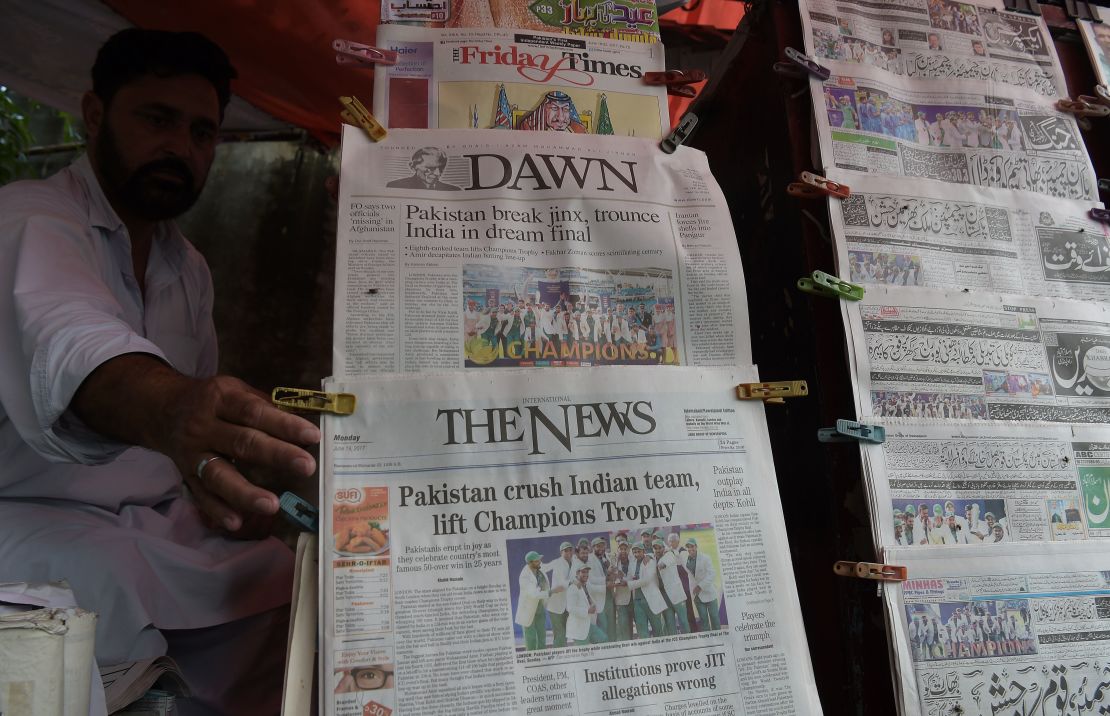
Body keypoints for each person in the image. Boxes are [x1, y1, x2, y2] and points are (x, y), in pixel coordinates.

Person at [0, 29, 321, 714]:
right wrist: (175, 410)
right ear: (93, 114)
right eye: (157, 119)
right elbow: (76, 345)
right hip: (31, 515)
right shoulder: (31, 220)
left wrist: (213, 488)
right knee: (108, 596)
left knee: (287, 581)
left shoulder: (188, 267)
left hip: (153, 520)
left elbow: (190, 435)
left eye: (202, 132)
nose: (181, 147)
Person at [628, 543, 667, 638]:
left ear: (644, 551)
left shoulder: (650, 561)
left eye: (639, 552)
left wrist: (629, 584)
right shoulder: (632, 563)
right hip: (637, 601)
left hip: (651, 599)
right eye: (635, 552)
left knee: (657, 630)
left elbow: (647, 580)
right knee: (642, 631)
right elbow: (629, 577)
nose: (636, 554)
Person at [684, 538, 721, 631]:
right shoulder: (686, 559)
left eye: (692, 546)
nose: (690, 549)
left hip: (709, 593)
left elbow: (712, 574)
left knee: (715, 619)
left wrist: (700, 586)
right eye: (688, 547)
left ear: (696, 547)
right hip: (697, 596)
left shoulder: (705, 558)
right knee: (704, 622)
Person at [653, 539, 690, 634]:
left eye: (659, 548)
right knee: (669, 623)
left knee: (683, 621)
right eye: (655, 548)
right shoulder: (652, 559)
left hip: (676, 594)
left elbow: (663, 564)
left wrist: (659, 565)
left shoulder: (669, 555)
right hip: (664, 596)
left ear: (664, 548)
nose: (657, 550)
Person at [515, 551, 550, 650]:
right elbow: (533, 594)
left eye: (539, 560)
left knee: (542, 635)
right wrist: (550, 592)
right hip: (528, 610)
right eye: (537, 561)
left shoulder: (539, 568)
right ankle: (531, 658)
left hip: (540, 608)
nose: (540, 562)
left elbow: (549, 566)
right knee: (530, 638)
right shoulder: (524, 576)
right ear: (530, 563)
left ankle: (542, 657)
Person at [566, 564, 608, 645]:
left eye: (587, 572)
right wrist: (587, 610)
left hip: (589, 625)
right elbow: (570, 608)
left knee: (604, 639)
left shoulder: (586, 585)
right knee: (582, 653)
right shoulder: (573, 588)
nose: (586, 574)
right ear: (577, 573)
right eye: (583, 572)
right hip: (579, 628)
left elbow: (596, 589)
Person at [544, 541, 576, 647]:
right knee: (560, 634)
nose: (568, 553)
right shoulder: (558, 562)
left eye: (570, 550)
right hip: (555, 606)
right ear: (561, 552)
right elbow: (562, 582)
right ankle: (559, 658)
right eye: (565, 551)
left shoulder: (573, 562)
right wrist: (575, 582)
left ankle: (563, 657)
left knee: (564, 634)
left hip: (566, 606)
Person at [385, 146, 460, 190]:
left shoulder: (455, 190)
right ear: (413, 167)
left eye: (441, 168)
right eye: (431, 168)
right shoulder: (395, 186)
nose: (438, 173)